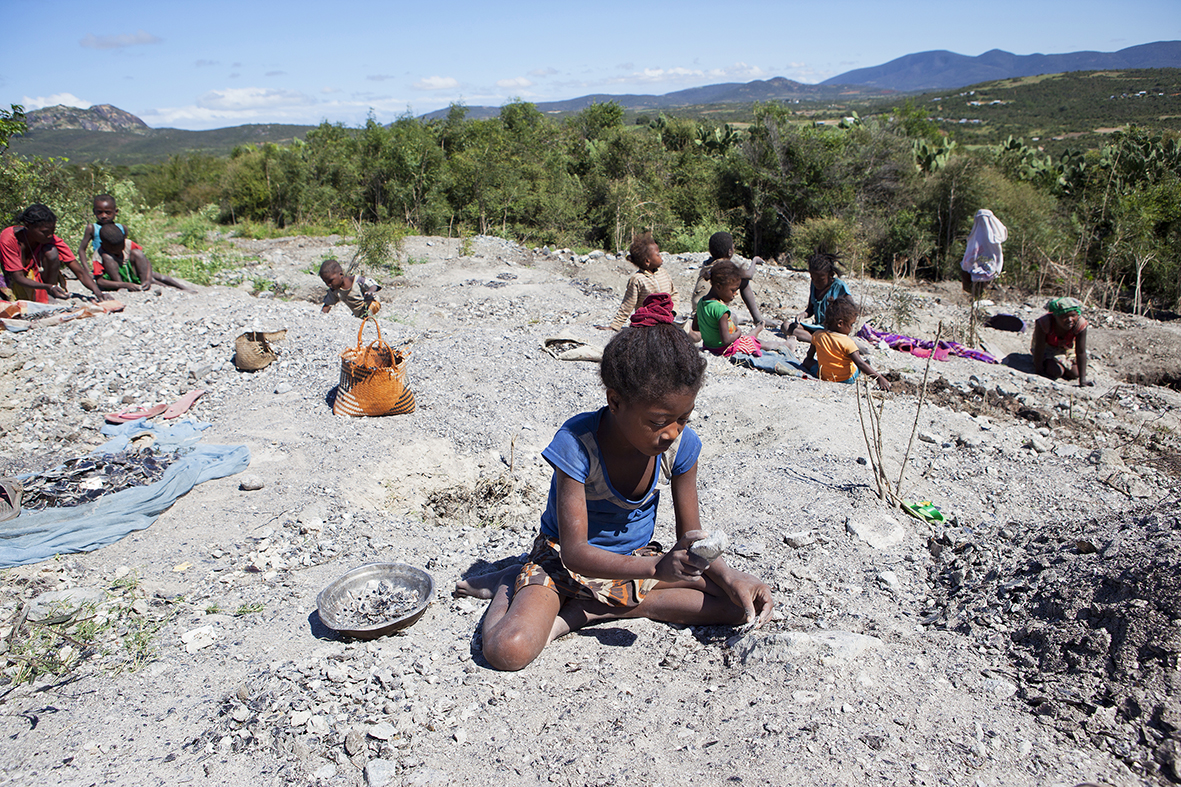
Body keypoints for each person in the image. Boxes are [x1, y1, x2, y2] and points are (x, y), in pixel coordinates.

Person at [455, 293, 774, 671]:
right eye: (658, 421)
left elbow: (692, 539)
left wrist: (731, 574)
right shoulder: (578, 444)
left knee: (739, 607)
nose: (672, 432)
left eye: (683, 419)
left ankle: (589, 611)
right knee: (509, 650)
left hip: (631, 564)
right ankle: (512, 582)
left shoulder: (679, 448)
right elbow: (575, 552)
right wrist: (658, 569)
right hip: (563, 562)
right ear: (616, 401)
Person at [696, 261, 797, 374]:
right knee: (758, 343)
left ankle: (758, 328)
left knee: (748, 338)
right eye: (733, 290)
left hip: (710, 346)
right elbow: (726, 340)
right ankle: (786, 345)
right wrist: (738, 332)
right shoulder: (720, 309)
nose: (735, 294)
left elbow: (695, 327)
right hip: (727, 348)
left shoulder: (701, 302)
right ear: (719, 287)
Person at [0, 204, 106, 303]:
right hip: (13, 280)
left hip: (39, 280)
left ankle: (49, 294)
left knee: (52, 251)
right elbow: (18, 277)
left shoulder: (51, 239)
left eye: (52, 231)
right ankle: (46, 291)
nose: (50, 235)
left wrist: (97, 292)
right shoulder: (9, 239)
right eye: (44, 232)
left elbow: (79, 271)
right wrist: (48, 286)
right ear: (28, 226)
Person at [802, 295, 891, 390]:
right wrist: (879, 378)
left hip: (825, 376)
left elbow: (809, 356)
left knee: (807, 362)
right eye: (851, 325)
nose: (852, 328)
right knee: (858, 366)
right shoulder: (848, 342)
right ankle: (866, 367)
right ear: (840, 324)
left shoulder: (817, 335)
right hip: (846, 379)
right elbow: (860, 364)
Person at [597, 232, 678, 331]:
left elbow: (674, 294)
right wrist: (615, 326)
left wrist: (673, 312)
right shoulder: (638, 279)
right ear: (647, 261)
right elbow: (628, 304)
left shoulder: (663, 273)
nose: (661, 256)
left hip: (667, 319)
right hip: (647, 322)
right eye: (657, 254)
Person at [690, 232, 765, 329]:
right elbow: (748, 275)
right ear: (730, 252)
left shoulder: (708, 264)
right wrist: (754, 260)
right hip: (707, 316)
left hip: (697, 313)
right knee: (744, 282)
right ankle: (758, 320)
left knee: (740, 282)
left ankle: (756, 319)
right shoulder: (724, 268)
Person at [92, 223, 195, 293]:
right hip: (118, 281)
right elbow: (100, 281)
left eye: (121, 247)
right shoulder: (99, 255)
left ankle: (181, 288)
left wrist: (147, 278)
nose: (119, 251)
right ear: (103, 245)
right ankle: (122, 287)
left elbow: (146, 261)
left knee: (140, 256)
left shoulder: (128, 243)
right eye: (114, 250)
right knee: (108, 258)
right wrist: (125, 285)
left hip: (133, 275)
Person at [783, 250, 852, 344]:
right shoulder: (814, 286)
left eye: (821, 279)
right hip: (817, 328)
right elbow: (810, 310)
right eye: (813, 278)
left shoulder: (840, 287)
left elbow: (852, 310)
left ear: (830, 275)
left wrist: (837, 323)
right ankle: (817, 341)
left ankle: (818, 340)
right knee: (786, 326)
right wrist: (802, 315)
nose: (816, 282)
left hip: (831, 330)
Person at [1031, 297, 1092, 387]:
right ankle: (1050, 363)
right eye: (1064, 317)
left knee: (1075, 373)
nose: (1070, 320)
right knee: (1056, 371)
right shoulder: (1045, 323)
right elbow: (1039, 347)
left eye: (1073, 315)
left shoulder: (1080, 325)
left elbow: (1081, 351)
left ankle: (1063, 363)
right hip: (1048, 347)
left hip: (1067, 348)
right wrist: (1039, 371)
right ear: (1055, 316)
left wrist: (1082, 381)